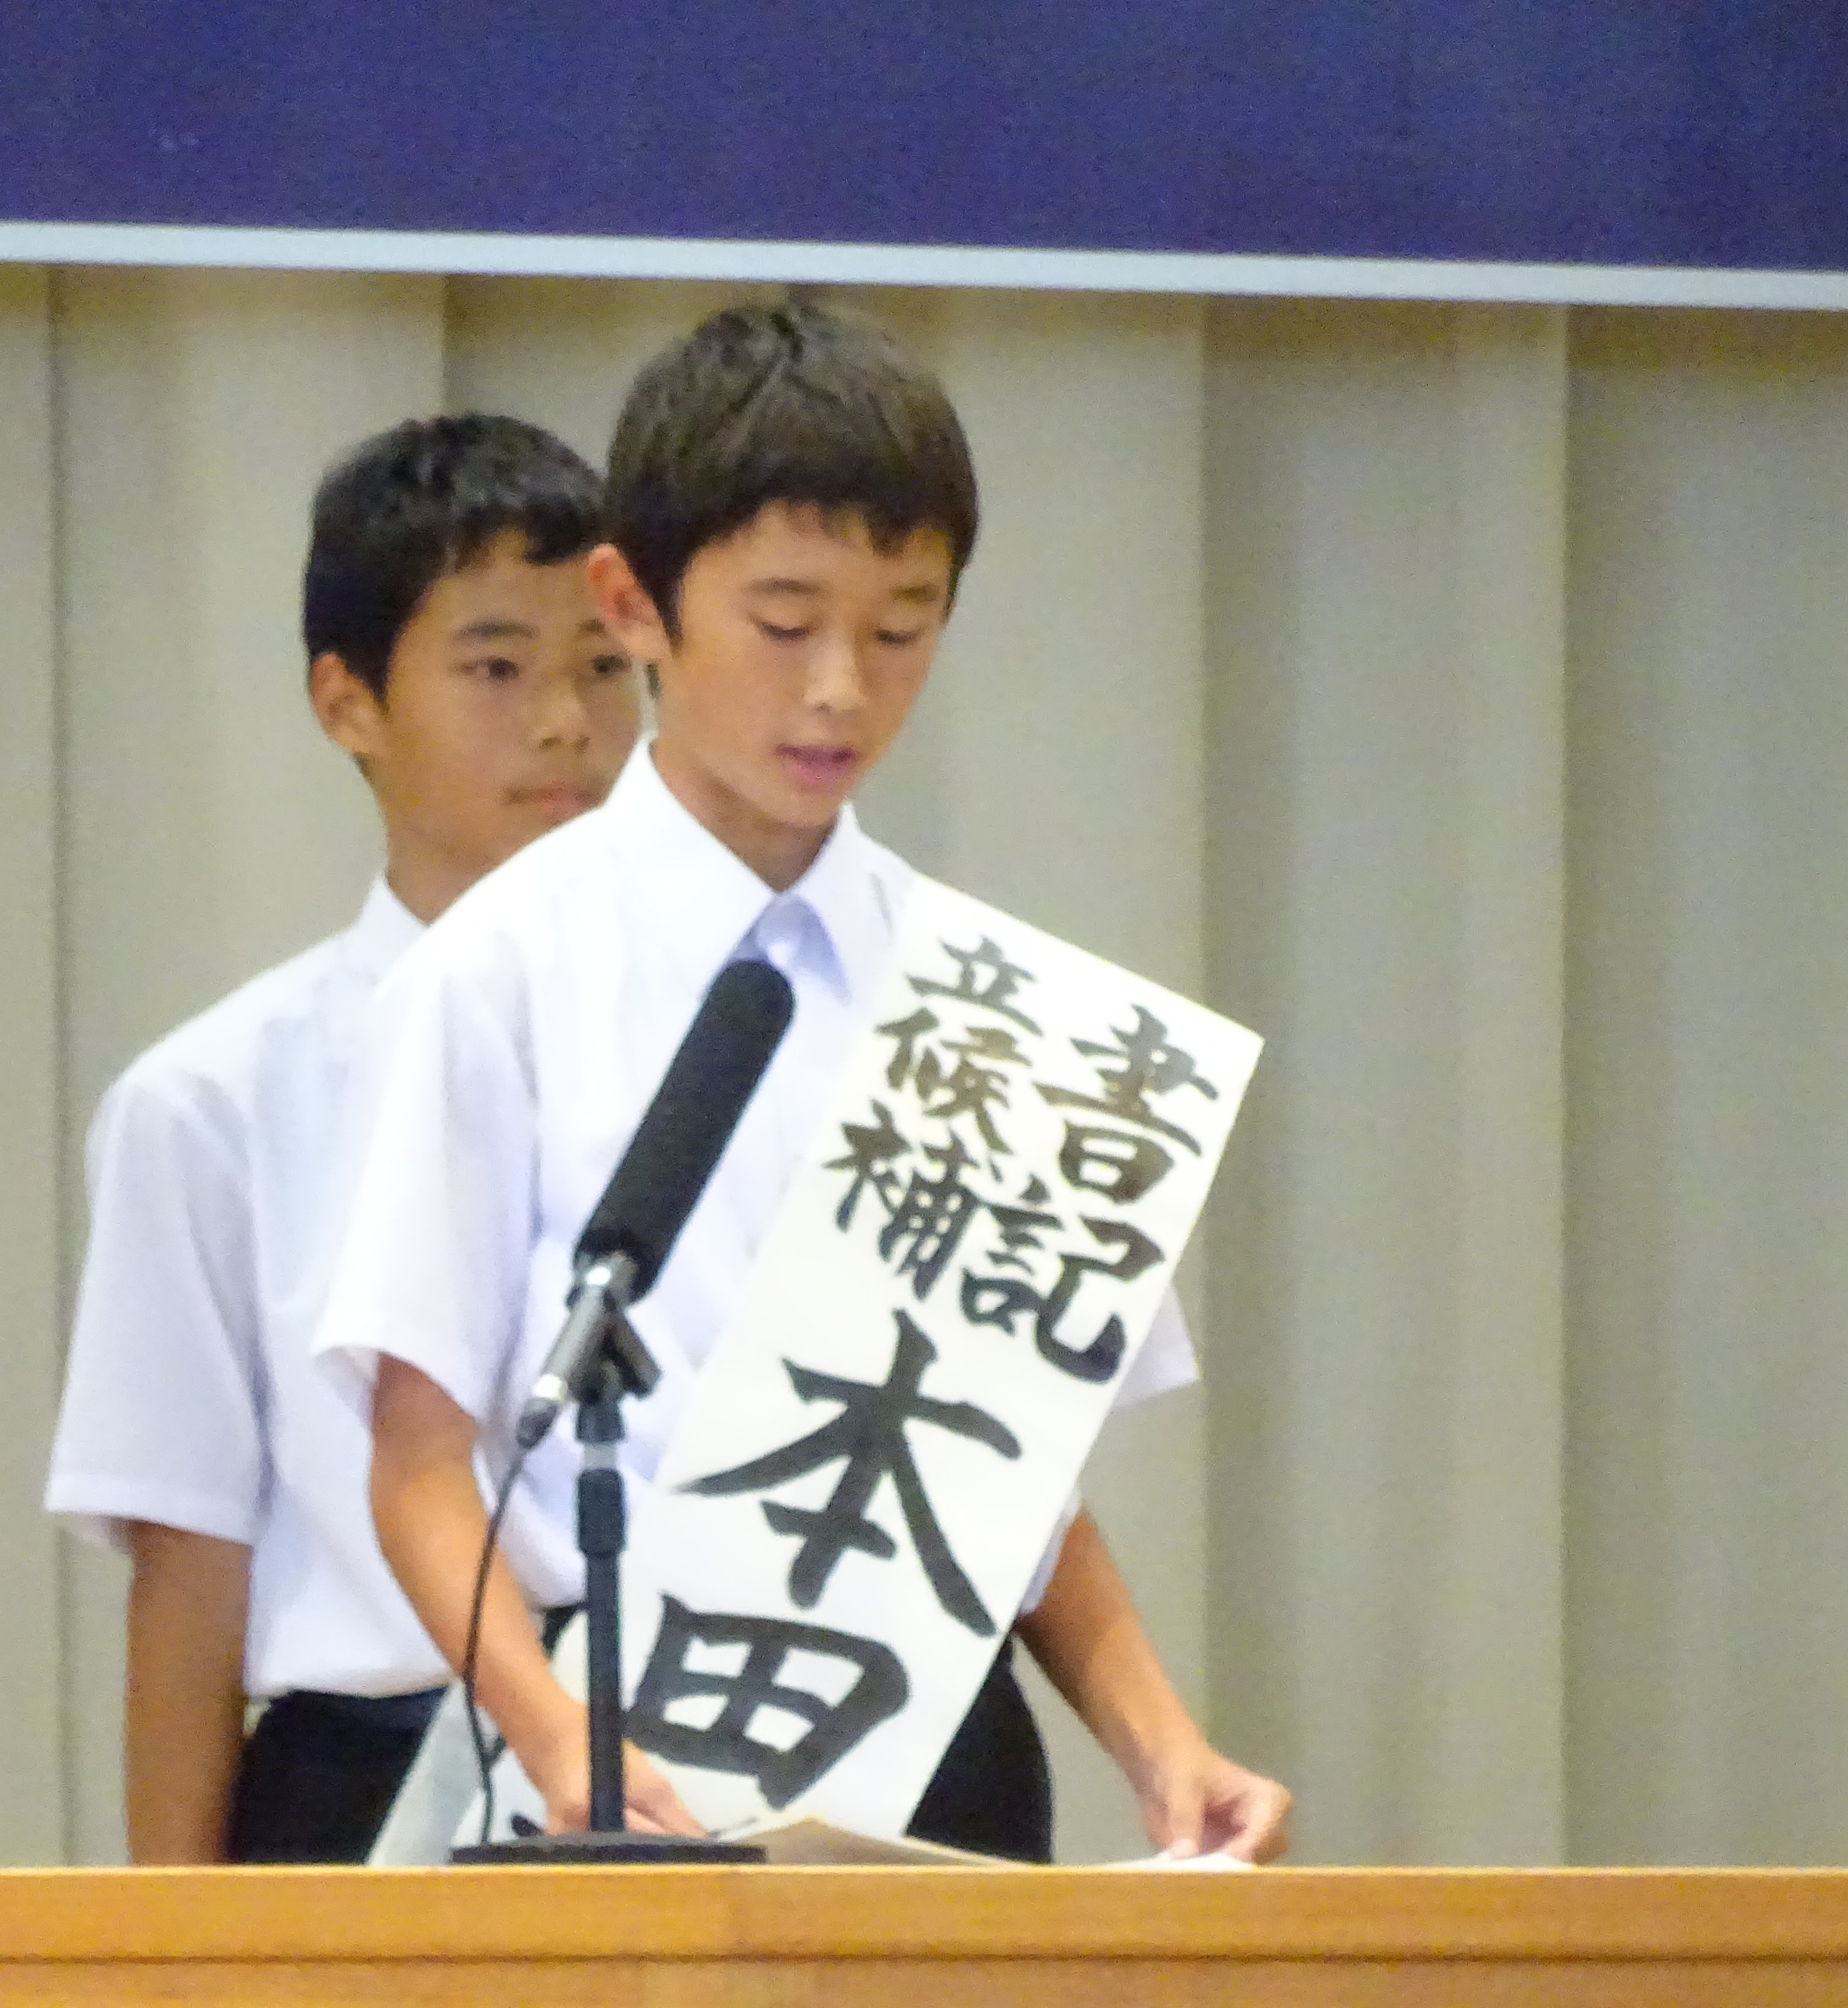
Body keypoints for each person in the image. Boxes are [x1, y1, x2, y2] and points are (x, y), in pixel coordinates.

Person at [315, 301, 1291, 1863]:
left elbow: (1004, 1474)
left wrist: (1163, 1744)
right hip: (627, 1742)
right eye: (785, 624)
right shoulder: (496, 974)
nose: (842, 687)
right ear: (634, 605)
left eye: (901, 630)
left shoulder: (989, 1004)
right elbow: (419, 1466)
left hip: (944, 1749)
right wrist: (557, 1736)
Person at [45, 414, 642, 1863]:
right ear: (348, 702)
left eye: (604, 667)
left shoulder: (732, 1032)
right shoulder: (213, 1102)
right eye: (497, 668)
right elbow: (191, 1566)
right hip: (374, 1782)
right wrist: (180, 1953)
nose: (565, 722)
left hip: (700, 1746)